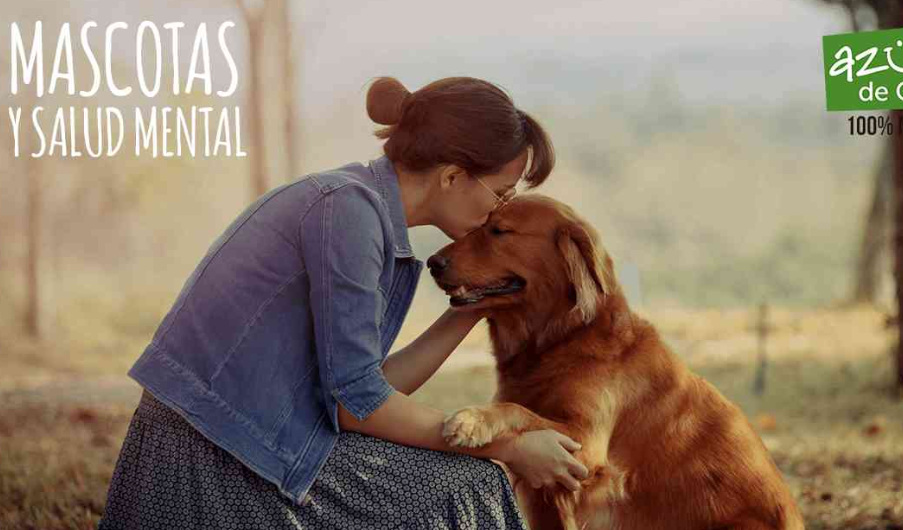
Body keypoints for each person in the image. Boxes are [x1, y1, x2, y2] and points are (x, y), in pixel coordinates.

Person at [97, 76, 589, 529]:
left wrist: (474, 307)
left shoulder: (361, 209)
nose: (495, 214)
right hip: (212, 459)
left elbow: (362, 389)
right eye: (501, 195)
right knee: (466, 487)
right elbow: (358, 409)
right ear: (454, 176)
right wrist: (507, 445)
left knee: (459, 479)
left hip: (255, 441)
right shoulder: (348, 212)